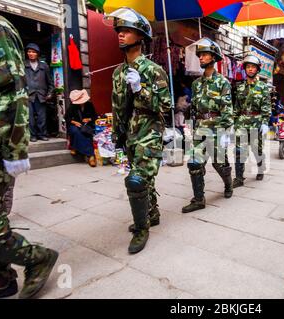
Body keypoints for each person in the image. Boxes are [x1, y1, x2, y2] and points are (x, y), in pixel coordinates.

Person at [0, 10, 58, 299]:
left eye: (33, 51)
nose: (31, 54)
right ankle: (2, 278)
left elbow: (12, 92)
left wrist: (17, 149)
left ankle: (38, 257)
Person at [106, 8, 171, 254]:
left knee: (136, 181)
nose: (120, 35)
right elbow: (116, 107)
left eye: (127, 31)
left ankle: (142, 229)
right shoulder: (117, 72)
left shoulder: (153, 70)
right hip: (129, 134)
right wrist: (116, 134)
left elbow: (165, 105)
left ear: (140, 35)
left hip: (149, 131)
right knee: (144, 181)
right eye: (119, 31)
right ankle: (152, 214)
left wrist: (140, 89)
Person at [182, 38, 234, 214]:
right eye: (200, 55)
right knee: (194, 163)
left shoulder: (223, 82)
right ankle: (198, 199)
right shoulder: (196, 84)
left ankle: (228, 184)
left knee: (219, 163)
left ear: (214, 57)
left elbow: (227, 108)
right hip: (199, 129)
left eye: (205, 54)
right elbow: (195, 108)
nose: (201, 58)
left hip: (217, 128)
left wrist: (225, 131)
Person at [232, 55, 271, 188]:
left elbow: (266, 105)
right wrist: (233, 122)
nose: (250, 69)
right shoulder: (239, 87)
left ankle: (261, 168)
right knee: (239, 151)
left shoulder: (263, 87)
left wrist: (265, 122)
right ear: (245, 69)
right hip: (242, 122)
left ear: (257, 70)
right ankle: (238, 177)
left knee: (257, 150)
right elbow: (236, 106)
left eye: (253, 67)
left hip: (257, 122)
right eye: (248, 67)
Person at [24, 43, 54, 142]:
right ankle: (33, 135)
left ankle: (42, 134)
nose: (31, 53)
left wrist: (50, 93)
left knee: (42, 117)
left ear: (37, 54)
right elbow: (20, 81)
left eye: (33, 52)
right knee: (30, 118)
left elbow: (50, 82)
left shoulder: (44, 66)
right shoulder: (24, 65)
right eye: (29, 52)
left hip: (41, 95)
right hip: (28, 95)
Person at [65, 89, 98, 167]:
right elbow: (67, 118)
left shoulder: (89, 105)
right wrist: (75, 122)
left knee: (86, 134)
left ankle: (75, 147)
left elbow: (95, 116)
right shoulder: (72, 107)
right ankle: (91, 155)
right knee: (76, 131)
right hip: (74, 125)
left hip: (86, 125)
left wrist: (89, 119)